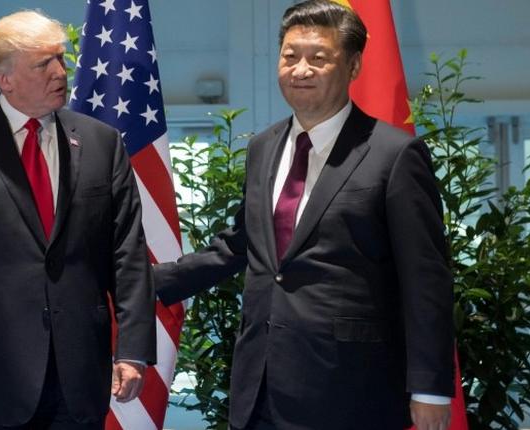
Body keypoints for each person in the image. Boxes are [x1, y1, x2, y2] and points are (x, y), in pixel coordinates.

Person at [154, 1, 454, 429]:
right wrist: (147, 281)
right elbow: (242, 243)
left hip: (350, 391)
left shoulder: (394, 154)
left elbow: (426, 279)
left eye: (318, 58)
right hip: (260, 387)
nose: (300, 70)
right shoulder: (263, 147)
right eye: (290, 56)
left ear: (353, 67)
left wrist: (429, 389)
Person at [0, 10, 156, 429]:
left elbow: (127, 253)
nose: (61, 71)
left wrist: (131, 349)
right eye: (44, 64)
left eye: (61, 59)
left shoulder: (101, 142)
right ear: (4, 79)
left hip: (79, 376)